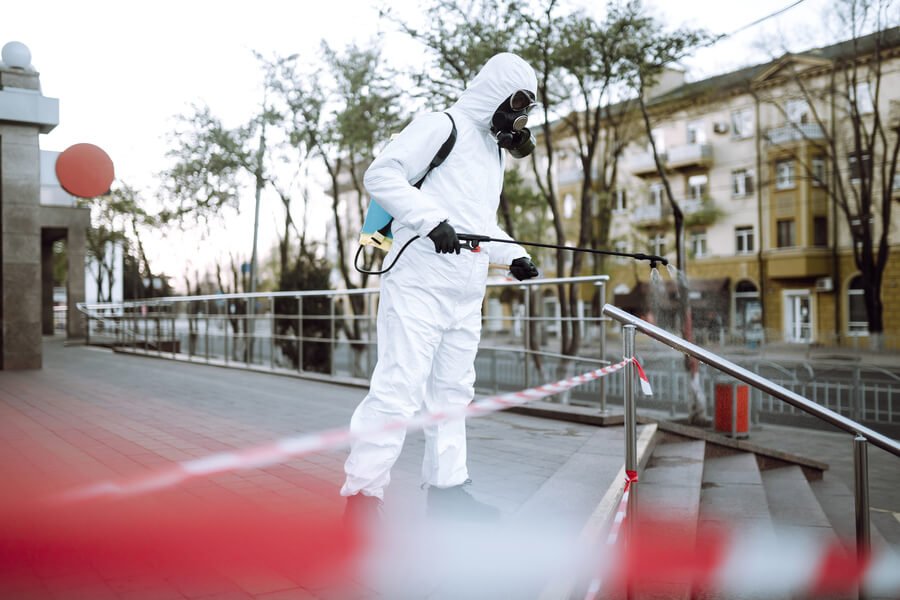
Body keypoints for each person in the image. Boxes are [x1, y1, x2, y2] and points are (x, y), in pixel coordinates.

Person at [341, 52, 540, 522]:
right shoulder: (440, 125)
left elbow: (478, 224)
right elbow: (381, 174)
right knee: (397, 389)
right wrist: (431, 221)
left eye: (525, 111)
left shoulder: (493, 154)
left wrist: (512, 255)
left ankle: (448, 490)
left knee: (453, 394)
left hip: (466, 291)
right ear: (495, 93)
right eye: (515, 105)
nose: (518, 119)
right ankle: (363, 498)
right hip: (418, 282)